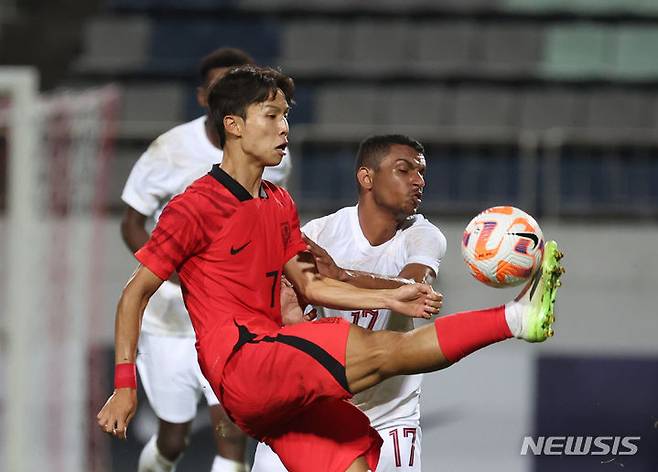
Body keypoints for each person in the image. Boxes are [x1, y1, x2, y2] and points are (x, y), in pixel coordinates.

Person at [97, 66, 564, 472]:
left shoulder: (278, 203)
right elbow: (134, 293)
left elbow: (312, 282)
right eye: (272, 116)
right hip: (245, 361)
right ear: (234, 125)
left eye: (286, 116)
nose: (285, 129)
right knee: (388, 352)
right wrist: (124, 386)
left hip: (269, 380)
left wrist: (386, 296)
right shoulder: (194, 207)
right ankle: (514, 319)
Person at [120, 49, 290, 472]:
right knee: (173, 441)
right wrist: (185, 275)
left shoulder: (273, 152)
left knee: (231, 440)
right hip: (170, 323)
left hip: (231, 329)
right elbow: (132, 223)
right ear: (206, 99)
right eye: (220, 87)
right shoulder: (171, 151)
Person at [252, 134, 446, 472]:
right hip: (314, 411)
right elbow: (285, 319)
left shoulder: (424, 235)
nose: (419, 181)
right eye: (405, 170)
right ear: (367, 177)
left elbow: (414, 288)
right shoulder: (321, 232)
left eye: (421, 172)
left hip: (387, 420)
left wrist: (342, 276)